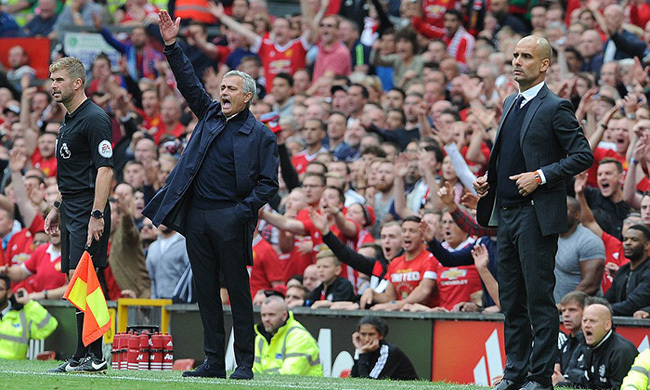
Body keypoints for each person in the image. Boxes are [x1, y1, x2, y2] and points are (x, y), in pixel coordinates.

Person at [142, 11, 279, 380]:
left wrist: (243, 211)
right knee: (205, 290)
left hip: (231, 217)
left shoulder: (262, 135)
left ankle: (245, 363)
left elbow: (269, 184)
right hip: (198, 216)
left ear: (247, 96)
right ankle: (214, 360)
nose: (223, 93)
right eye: (221, 88)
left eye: (231, 89)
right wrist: (171, 45)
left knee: (237, 291)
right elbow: (187, 81)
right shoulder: (209, 114)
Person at [474, 35, 594, 390]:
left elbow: (582, 155)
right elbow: (509, 153)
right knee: (511, 298)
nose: (517, 61)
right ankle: (514, 373)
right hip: (507, 212)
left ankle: (540, 377)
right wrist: (489, 181)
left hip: (535, 213)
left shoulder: (555, 106)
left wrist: (541, 176)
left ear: (544, 65)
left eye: (526, 56)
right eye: (514, 55)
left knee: (539, 298)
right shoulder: (511, 102)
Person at [44, 56, 113, 373]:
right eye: (51, 79)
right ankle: (82, 354)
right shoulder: (69, 120)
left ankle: (97, 355)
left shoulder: (95, 118)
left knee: (89, 280)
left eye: (58, 80)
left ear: (77, 83)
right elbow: (72, 172)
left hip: (89, 207)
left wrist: (96, 214)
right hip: (71, 206)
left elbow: (104, 170)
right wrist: (57, 207)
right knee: (75, 281)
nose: (53, 85)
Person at [560, 298, 638, 389]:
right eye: (584, 321)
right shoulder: (589, 345)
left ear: (607, 325)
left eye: (593, 321)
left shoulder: (621, 351)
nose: (587, 325)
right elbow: (587, 384)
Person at [253, 295, 322, 376]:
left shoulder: (299, 337)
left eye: (271, 315)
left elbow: (289, 375)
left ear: (285, 315)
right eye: (263, 315)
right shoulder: (260, 338)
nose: (266, 319)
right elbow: (255, 372)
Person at [0, 275, 58, 360]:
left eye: (0, 289)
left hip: (15, 368)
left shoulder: (22, 316)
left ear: (9, 293)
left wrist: (28, 303)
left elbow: (49, 327)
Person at [351, 315, 418, 380]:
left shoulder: (387, 351)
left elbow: (368, 383)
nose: (367, 339)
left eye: (371, 334)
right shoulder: (364, 349)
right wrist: (359, 351)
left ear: (381, 335)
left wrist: (362, 353)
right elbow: (354, 377)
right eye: (363, 334)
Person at [604, 224, 650, 316]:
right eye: (625, 239)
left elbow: (633, 304)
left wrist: (599, 310)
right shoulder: (622, 270)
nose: (627, 243)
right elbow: (607, 298)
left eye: (634, 240)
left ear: (647, 245)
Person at [553, 291, 588, 387]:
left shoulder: (590, 343)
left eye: (572, 310)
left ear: (586, 311)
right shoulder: (566, 343)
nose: (566, 315)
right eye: (563, 311)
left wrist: (565, 380)